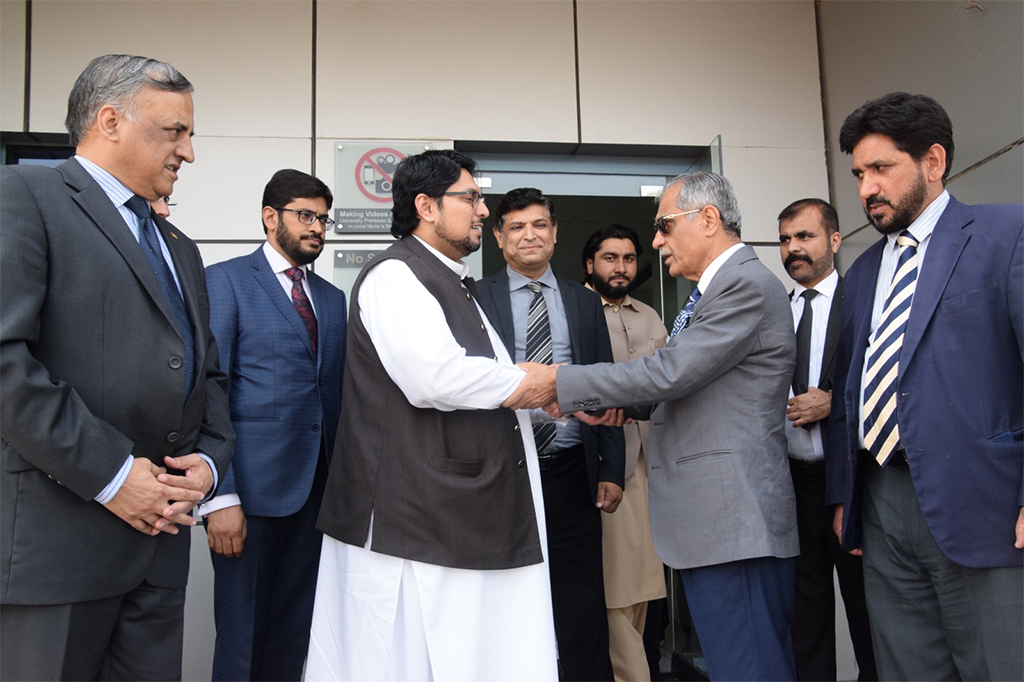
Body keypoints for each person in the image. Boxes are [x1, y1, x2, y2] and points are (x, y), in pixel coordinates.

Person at [510, 171, 800, 681]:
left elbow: (672, 371)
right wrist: (623, 408)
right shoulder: (714, 291)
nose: (657, 241)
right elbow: (692, 386)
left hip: (735, 519)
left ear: (707, 219)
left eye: (665, 225)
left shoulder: (744, 286)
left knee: (748, 665)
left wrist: (560, 382)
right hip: (718, 522)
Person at [0, 54, 233, 680]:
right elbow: (5, 363)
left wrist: (208, 465)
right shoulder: (24, 196)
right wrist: (110, 475)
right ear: (110, 121)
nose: (188, 152)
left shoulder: (176, 243)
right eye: (174, 132)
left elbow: (205, 371)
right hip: (61, 547)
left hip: (160, 546)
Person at [305, 149, 558, 681]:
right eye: (470, 198)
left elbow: (476, 379)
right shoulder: (395, 276)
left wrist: (534, 392)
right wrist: (530, 384)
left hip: (457, 512)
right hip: (416, 517)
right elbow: (434, 378)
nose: (482, 210)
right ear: (426, 206)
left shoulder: (449, 279)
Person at [825, 92, 1023, 680]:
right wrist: (844, 500)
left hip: (984, 504)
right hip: (883, 507)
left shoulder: (1004, 233)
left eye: (881, 169)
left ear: (933, 161)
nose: (866, 189)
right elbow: (846, 394)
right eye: (859, 174)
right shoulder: (860, 275)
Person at [200, 169, 347, 681]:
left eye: (323, 219)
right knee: (242, 636)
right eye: (306, 216)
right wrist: (220, 498)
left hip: (315, 497)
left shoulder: (331, 299)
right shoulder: (225, 281)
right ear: (270, 217)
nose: (317, 229)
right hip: (248, 497)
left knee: (294, 635)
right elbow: (207, 392)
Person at [477, 188, 623, 681]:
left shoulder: (585, 302)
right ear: (498, 238)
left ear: (555, 233)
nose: (529, 235)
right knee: (506, 599)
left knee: (580, 600)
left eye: (539, 224)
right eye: (516, 227)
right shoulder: (476, 297)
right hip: (502, 476)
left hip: (570, 472)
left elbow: (605, 383)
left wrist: (611, 468)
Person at [777, 199, 876, 681]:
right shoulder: (773, 311)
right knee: (806, 619)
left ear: (834, 241)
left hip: (852, 484)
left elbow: (891, 379)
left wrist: (833, 402)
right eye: (785, 239)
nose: (792, 248)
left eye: (804, 237)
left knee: (869, 616)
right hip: (793, 487)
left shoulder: (863, 300)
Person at [581, 224, 667, 682]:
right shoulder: (577, 312)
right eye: (610, 257)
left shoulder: (652, 317)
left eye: (629, 258)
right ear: (589, 264)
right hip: (606, 467)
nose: (621, 267)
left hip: (656, 467)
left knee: (646, 586)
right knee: (617, 584)